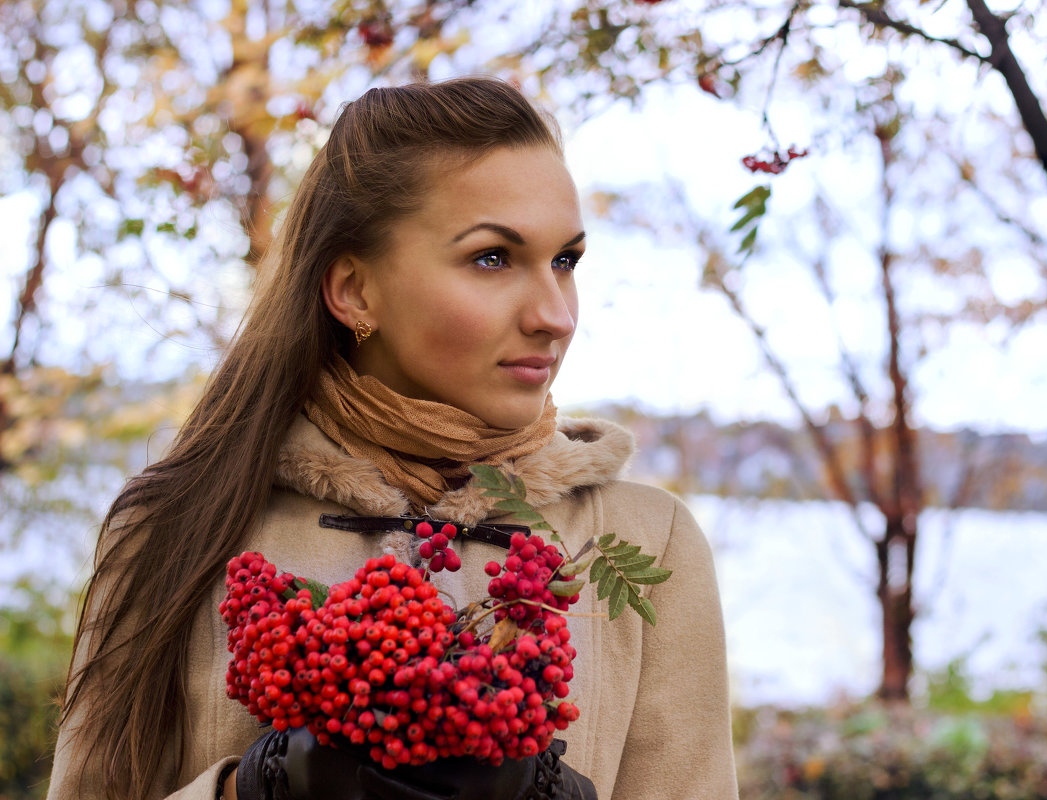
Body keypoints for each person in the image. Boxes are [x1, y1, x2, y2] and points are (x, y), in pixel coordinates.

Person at [47, 77, 738, 800]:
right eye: (494, 257)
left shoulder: (646, 539)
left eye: (565, 260)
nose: (555, 314)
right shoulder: (178, 522)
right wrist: (246, 792)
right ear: (354, 291)